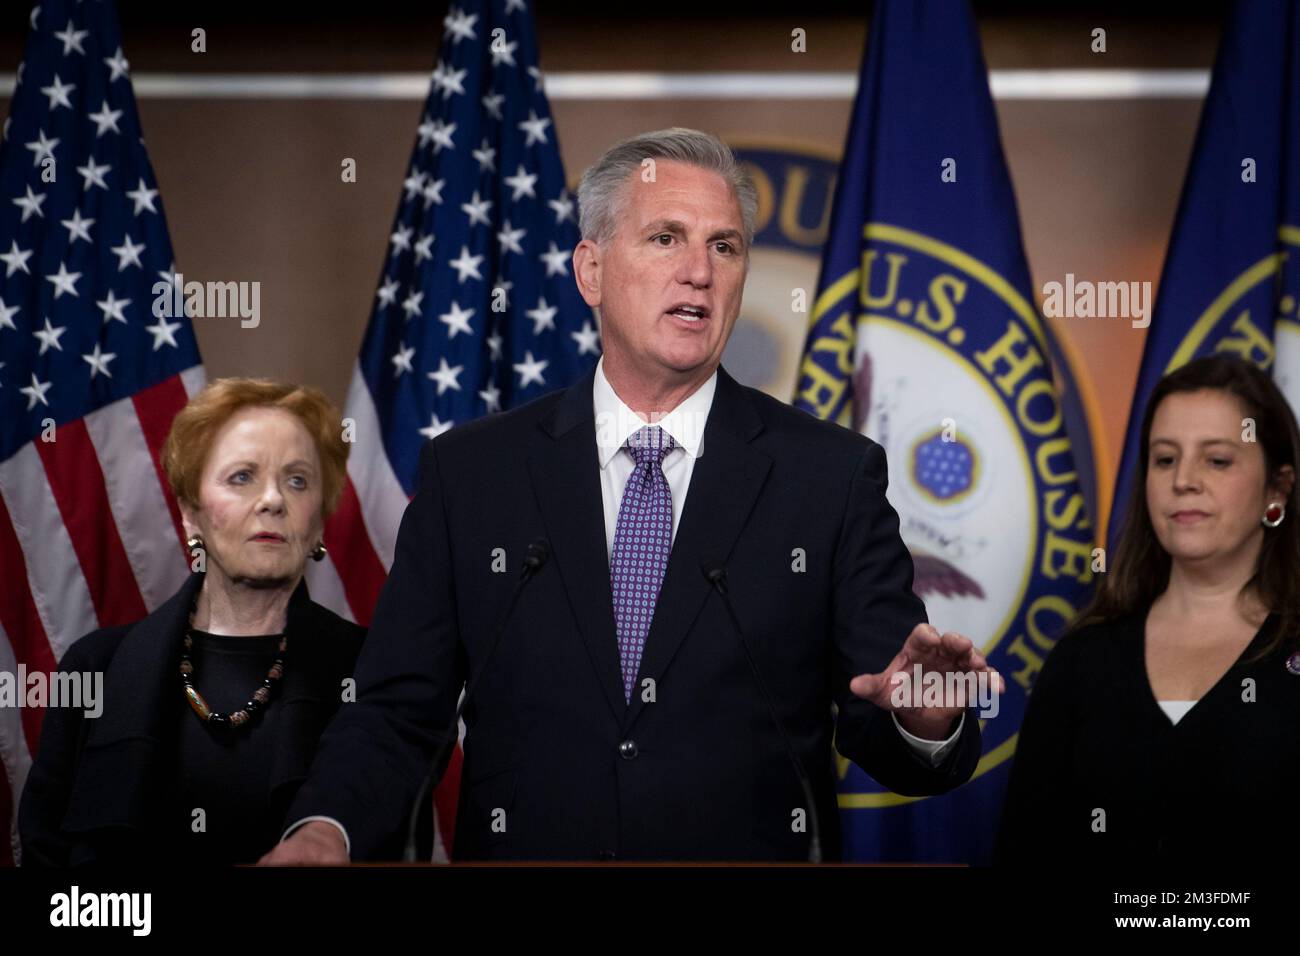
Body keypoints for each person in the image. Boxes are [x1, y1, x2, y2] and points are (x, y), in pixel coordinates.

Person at [264, 128, 996, 865]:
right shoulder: (473, 474)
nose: (699, 273)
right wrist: (325, 829)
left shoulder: (830, 478)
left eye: (725, 247)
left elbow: (886, 714)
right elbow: (395, 711)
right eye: (666, 238)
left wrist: (923, 722)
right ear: (591, 270)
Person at [19, 378, 366, 865]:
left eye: (298, 480)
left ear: (320, 521)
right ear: (189, 515)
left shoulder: (371, 670)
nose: (272, 500)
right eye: (242, 476)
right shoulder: (95, 666)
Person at [996, 355, 1300, 865]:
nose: (1184, 479)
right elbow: (1024, 851)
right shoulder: (1082, 657)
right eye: (1164, 458)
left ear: (1277, 488)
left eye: (1217, 460)